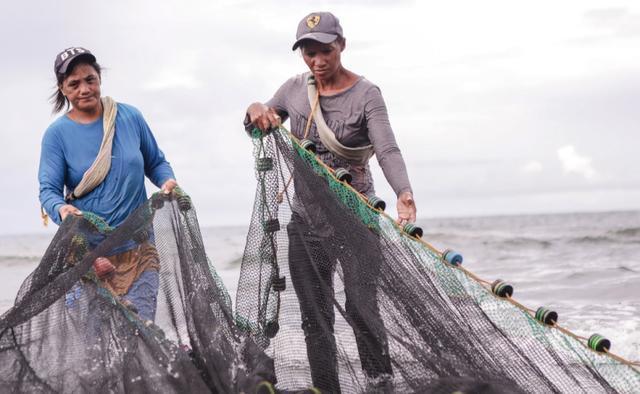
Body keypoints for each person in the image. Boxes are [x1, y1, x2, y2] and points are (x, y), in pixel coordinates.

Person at [244, 12, 417, 392]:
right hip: (306, 223)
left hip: (357, 217)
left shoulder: (366, 94)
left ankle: (379, 385)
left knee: (362, 309)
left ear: (341, 44)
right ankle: (326, 388)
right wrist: (255, 108)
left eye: (325, 50)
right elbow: (260, 118)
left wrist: (403, 192)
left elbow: (387, 148)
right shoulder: (293, 89)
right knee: (314, 317)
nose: (318, 61)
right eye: (309, 53)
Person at [39, 47, 177, 322]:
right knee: (96, 339)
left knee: (141, 327)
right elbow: (49, 191)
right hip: (88, 254)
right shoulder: (56, 135)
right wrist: (61, 210)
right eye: (74, 84)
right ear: (63, 89)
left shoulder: (130, 117)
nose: (84, 89)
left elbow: (156, 163)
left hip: (139, 248)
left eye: (90, 79)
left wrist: (168, 181)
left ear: (99, 78)